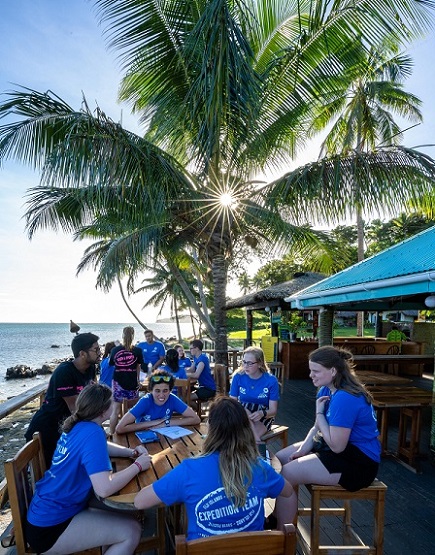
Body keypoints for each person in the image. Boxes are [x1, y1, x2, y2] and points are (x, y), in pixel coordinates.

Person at [134, 396, 292, 539]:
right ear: (246, 430)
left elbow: (140, 502)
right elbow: (289, 493)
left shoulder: (189, 470)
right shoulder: (259, 467)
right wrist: (281, 535)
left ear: (210, 429)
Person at [25, 383, 152, 555]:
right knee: (132, 531)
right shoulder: (93, 433)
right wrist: (138, 466)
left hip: (44, 511)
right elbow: (104, 488)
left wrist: (131, 452)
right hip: (51, 528)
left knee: (128, 513)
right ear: (102, 411)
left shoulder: (76, 425)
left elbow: (101, 447)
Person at [270, 346, 381, 529]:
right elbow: (317, 428)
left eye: (316, 371)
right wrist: (304, 448)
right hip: (338, 449)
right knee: (280, 459)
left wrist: (320, 414)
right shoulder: (326, 389)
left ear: (333, 370)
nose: (311, 375)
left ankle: (283, 533)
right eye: (311, 370)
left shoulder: (345, 398)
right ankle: (278, 515)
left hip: (359, 462)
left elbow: (337, 446)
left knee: (288, 473)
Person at [25, 332, 100, 466]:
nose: (100, 352)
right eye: (96, 349)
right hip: (47, 429)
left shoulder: (91, 368)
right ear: (82, 354)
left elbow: (93, 396)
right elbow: (76, 409)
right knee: (52, 472)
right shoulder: (64, 372)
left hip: (66, 428)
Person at [116, 369, 200, 434]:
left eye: (165, 390)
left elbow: (196, 419)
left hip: (165, 437)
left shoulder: (172, 399)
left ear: (170, 390)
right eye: (157, 391)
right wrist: (153, 423)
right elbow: (119, 428)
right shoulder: (145, 401)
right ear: (150, 390)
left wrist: (165, 423)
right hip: (142, 438)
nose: (161, 395)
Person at [229, 346, 279, 445]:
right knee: (234, 435)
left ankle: (256, 446)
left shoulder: (271, 380)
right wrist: (244, 414)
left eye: (250, 363)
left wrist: (261, 413)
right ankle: (258, 443)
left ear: (260, 363)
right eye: (243, 362)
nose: (245, 366)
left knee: (247, 439)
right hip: (242, 412)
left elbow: (273, 411)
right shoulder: (238, 376)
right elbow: (233, 403)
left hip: (264, 414)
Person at [109, 326, 144, 434]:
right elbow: (138, 367)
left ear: (122, 335)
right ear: (133, 336)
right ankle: (131, 434)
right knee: (133, 411)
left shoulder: (115, 350)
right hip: (132, 382)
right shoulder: (138, 351)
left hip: (118, 382)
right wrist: (138, 380)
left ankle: (112, 434)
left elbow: (112, 364)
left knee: (115, 411)